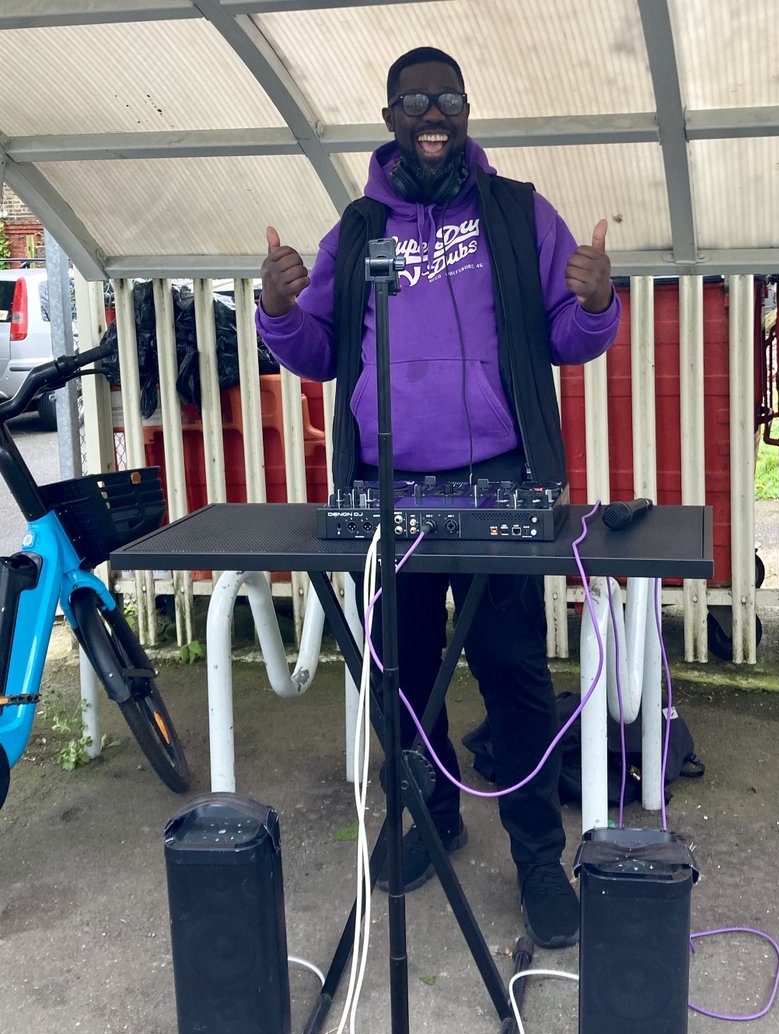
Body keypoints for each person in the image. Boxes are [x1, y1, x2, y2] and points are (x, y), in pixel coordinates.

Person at [256, 46, 621, 948]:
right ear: (390, 119)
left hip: (499, 481)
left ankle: (537, 856)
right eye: (414, 100)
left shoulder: (517, 211)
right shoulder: (357, 229)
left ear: (464, 113)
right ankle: (431, 817)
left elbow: (565, 338)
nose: (432, 113)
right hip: (389, 489)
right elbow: (320, 353)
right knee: (404, 672)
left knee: (513, 672)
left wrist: (595, 304)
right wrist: (279, 315)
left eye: (447, 98)